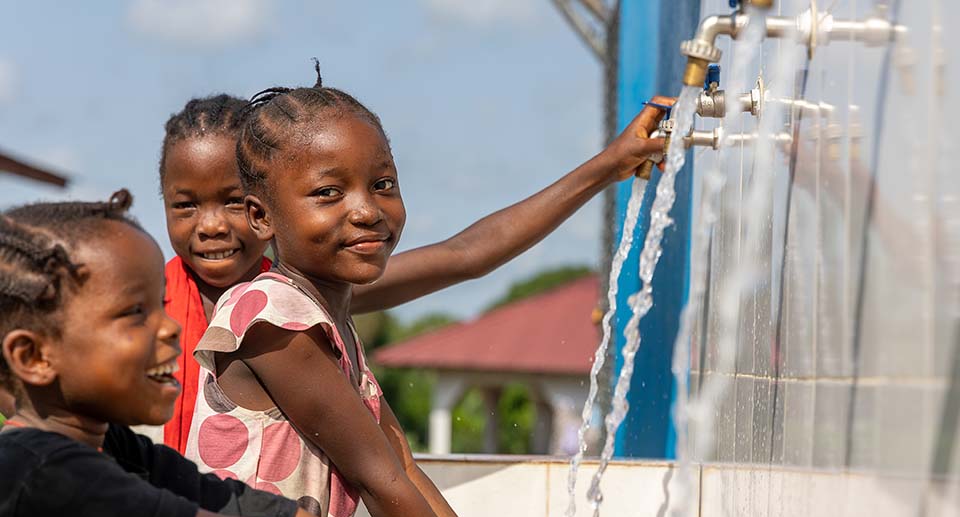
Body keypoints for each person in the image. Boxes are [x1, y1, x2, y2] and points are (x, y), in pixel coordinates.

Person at [187, 68, 671, 517]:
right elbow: (381, 481)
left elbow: (405, 470)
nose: (367, 210)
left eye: (383, 185)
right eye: (329, 192)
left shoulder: (329, 317)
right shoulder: (271, 317)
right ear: (261, 217)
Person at [0, 195, 469, 517]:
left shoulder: (118, 450)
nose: (169, 328)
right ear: (33, 356)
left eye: (161, 305)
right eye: (134, 314)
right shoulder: (39, 470)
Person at [160, 88, 674, 452]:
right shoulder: (149, 306)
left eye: (230, 202)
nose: (212, 227)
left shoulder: (303, 300)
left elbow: (467, 253)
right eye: (186, 205)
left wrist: (609, 167)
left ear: (262, 207)